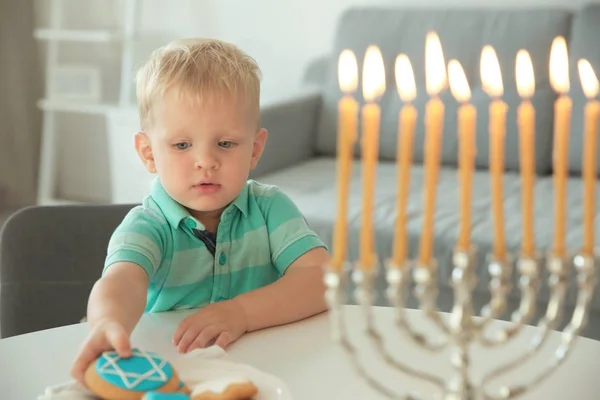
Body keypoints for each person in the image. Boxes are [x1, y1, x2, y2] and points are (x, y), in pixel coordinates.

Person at [70, 38, 329, 383]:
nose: (206, 161)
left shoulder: (269, 208)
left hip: (266, 372)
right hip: (174, 375)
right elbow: (122, 282)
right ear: (148, 153)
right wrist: (106, 323)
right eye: (181, 145)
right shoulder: (148, 225)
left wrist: (241, 313)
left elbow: (324, 279)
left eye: (225, 143)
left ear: (255, 149)